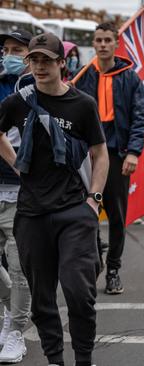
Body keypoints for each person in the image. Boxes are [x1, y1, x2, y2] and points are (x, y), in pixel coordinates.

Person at [0, 32, 109, 366]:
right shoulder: (18, 102)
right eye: (34, 59)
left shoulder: (82, 104)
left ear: (62, 63)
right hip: (31, 215)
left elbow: (100, 154)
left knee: (79, 293)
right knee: (43, 301)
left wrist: (95, 201)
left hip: (74, 211)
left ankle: (84, 360)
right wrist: (16, 163)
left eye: (47, 60)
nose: (39, 66)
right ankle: (55, 360)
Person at [75, 22, 144, 295]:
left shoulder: (129, 77)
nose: (103, 44)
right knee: (86, 211)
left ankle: (114, 268)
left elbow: (141, 116)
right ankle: (94, 261)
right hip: (87, 156)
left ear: (116, 44)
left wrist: (133, 151)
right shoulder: (83, 75)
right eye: (99, 40)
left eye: (108, 40)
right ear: (93, 44)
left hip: (117, 155)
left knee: (117, 216)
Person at [0, 29, 34, 364]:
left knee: (20, 266)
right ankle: (9, 315)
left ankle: (16, 333)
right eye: (5, 49)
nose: (8, 54)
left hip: (21, 191)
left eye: (16, 49)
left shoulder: (35, 89)